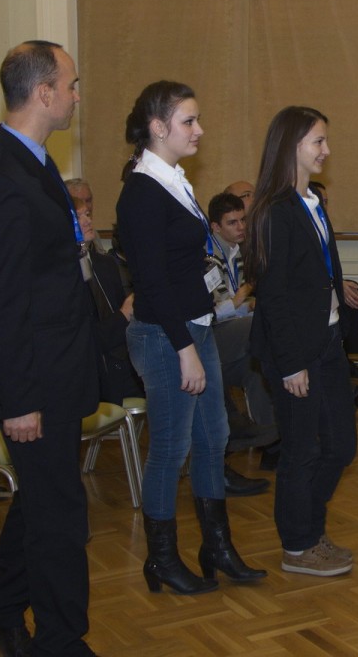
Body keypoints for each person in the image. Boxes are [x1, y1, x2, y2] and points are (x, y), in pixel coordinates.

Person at [0, 40, 100, 656]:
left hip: (59, 370)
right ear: (43, 93)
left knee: (43, 502)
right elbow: (1, 304)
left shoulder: (34, 163)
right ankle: (61, 642)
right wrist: (17, 401)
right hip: (36, 382)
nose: (76, 96)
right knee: (60, 517)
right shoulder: (1, 180)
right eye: (71, 85)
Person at [116, 80, 265, 596]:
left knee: (212, 439)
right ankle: (161, 559)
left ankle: (216, 548)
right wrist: (185, 351)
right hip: (166, 335)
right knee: (171, 447)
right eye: (189, 121)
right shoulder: (142, 190)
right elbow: (151, 283)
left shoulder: (172, 178)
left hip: (193, 327)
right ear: (158, 127)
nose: (199, 129)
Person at [244, 106, 357, 577]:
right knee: (301, 450)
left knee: (341, 446)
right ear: (291, 146)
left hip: (326, 341)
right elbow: (273, 296)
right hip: (293, 351)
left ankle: (311, 528)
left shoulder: (312, 202)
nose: (326, 150)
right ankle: (297, 545)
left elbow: (319, 274)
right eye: (318, 141)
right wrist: (291, 364)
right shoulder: (275, 210)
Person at [204, 191, 278, 480]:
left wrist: (248, 303)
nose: (241, 227)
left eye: (243, 220)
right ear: (215, 227)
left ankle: (271, 441)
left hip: (232, 333)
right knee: (261, 327)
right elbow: (218, 311)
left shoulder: (238, 250)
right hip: (209, 337)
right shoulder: (208, 256)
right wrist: (247, 294)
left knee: (256, 366)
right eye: (232, 223)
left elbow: (237, 305)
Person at [73, 198, 140, 405]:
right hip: (95, 370)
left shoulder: (105, 264)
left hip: (124, 356)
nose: (88, 220)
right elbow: (87, 339)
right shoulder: (64, 276)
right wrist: (123, 315)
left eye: (88, 214)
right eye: (79, 217)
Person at [308, 180, 358, 377]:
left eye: (326, 202)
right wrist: (336, 284)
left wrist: (338, 283)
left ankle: (345, 357)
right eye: (320, 202)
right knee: (343, 292)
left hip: (325, 283)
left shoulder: (323, 225)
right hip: (312, 292)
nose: (324, 206)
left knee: (351, 288)